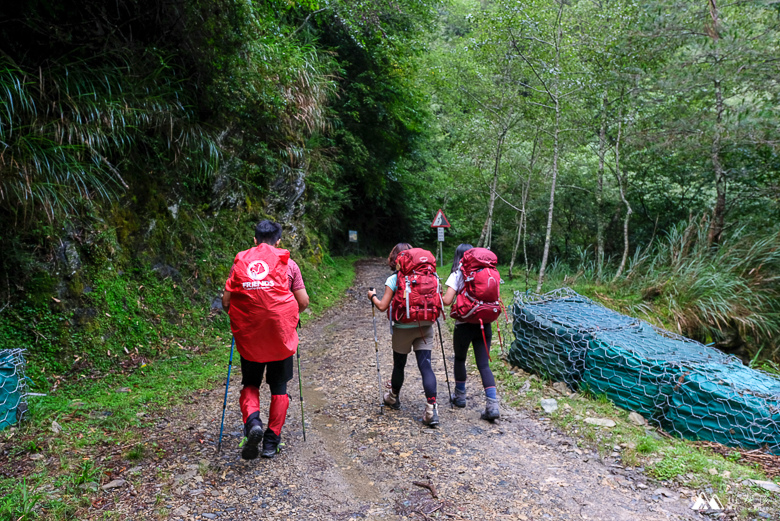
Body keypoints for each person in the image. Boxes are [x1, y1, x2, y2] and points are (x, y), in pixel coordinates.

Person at [222, 220, 309, 460]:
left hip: (250, 338)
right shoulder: (289, 264)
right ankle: (271, 442)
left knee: (250, 383)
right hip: (280, 336)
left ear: (254, 239)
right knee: (279, 388)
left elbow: (227, 301)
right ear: (279, 241)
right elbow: (303, 302)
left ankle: (253, 425)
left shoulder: (240, 263)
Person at [367, 243, 439, 427]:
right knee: (426, 367)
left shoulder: (394, 279)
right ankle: (432, 409)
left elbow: (382, 306)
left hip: (403, 326)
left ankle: (393, 397)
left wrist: (372, 296)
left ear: (395, 259)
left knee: (399, 365)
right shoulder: (429, 275)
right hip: (426, 324)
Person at [441, 243, 500, 421]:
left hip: (464, 323)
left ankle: (460, 397)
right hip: (485, 323)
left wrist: (437, 293)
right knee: (483, 365)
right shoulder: (487, 272)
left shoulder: (457, 274)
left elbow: (447, 301)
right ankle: (492, 405)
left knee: (460, 359)